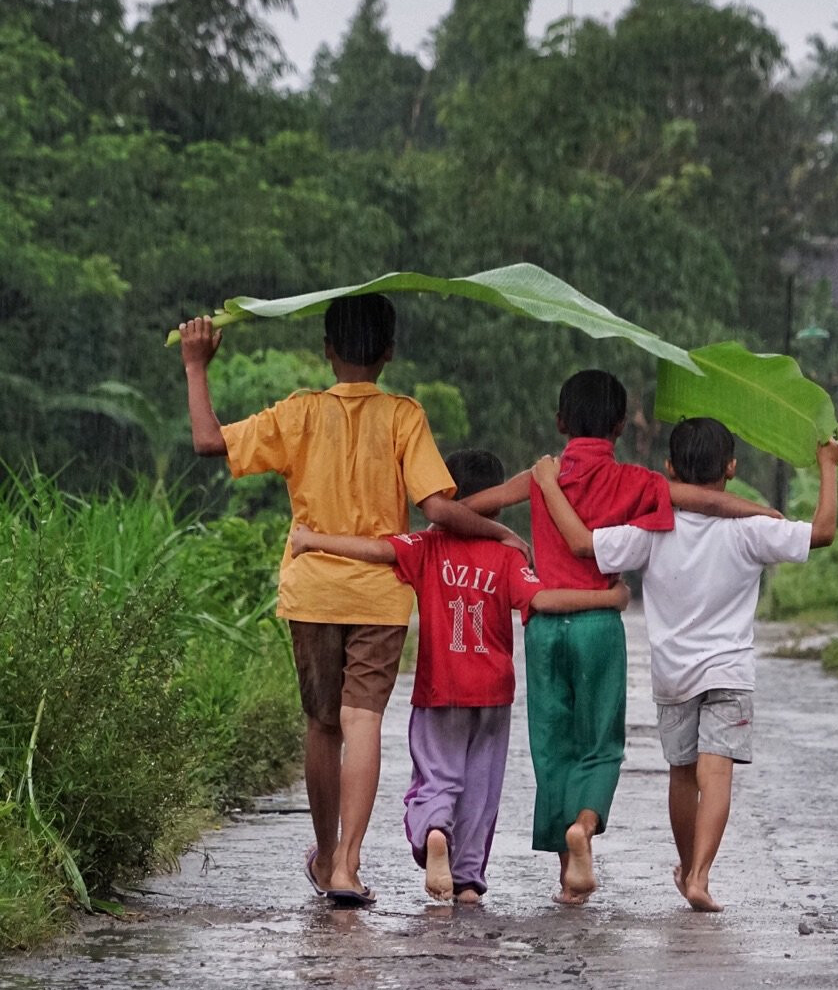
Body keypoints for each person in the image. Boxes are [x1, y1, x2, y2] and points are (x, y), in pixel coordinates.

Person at [178, 298, 527, 906]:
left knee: (322, 724)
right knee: (362, 721)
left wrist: (195, 364)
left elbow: (209, 440)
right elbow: (437, 508)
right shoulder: (403, 416)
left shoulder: (299, 412)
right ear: (389, 352)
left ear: (326, 350)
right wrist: (500, 532)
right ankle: (348, 865)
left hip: (313, 591)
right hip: (378, 596)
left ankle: (324, 852)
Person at [462, 371, 781, 904]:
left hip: (544, 627)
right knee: (599, 744)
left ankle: (569, 873)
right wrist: (764, 513)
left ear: (560, 421)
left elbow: (469, 507)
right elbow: (702, 501)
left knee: (553, 747)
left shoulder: (542, 474)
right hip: (598, 626)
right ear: (619, 426)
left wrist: (506, 535)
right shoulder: (635, 480)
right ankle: (584, 826)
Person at [289, 449, 631, 904]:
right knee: (480, 792)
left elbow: (375, 549)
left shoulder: (426, 548)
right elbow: (543, 600)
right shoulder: (508, 556)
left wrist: (313, 540)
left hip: (439, 691)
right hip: (492, 694)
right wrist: (609, 599)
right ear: (497, 506)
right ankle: (467, 881)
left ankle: (434, 830)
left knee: (437, 779)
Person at [532, 416, 838, 912]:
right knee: (716, 775)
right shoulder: (751, 529)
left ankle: (684, 865)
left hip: (673, 675)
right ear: (732, 468)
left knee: (682, 774)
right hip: (729, 672)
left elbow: (583, 543)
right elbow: (822, 532)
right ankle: (699, 875)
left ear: (669, 468)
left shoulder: (653, 529)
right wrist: (828, 465)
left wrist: (549, 485)